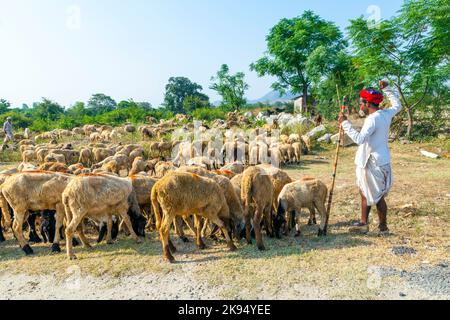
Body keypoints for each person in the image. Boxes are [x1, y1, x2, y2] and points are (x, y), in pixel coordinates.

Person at [338, 80, 402, 236]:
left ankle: (383, 228)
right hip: (381, 159)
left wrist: (345, 124)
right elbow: (397, 105)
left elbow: (360, 139)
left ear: (367, 103)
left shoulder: (372, 120)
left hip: (372, 162)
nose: (360, 105)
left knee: (377, 196)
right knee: (365, 191)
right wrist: (387, 88)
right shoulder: (386, 114)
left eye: (361, 103)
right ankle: (363, 223)